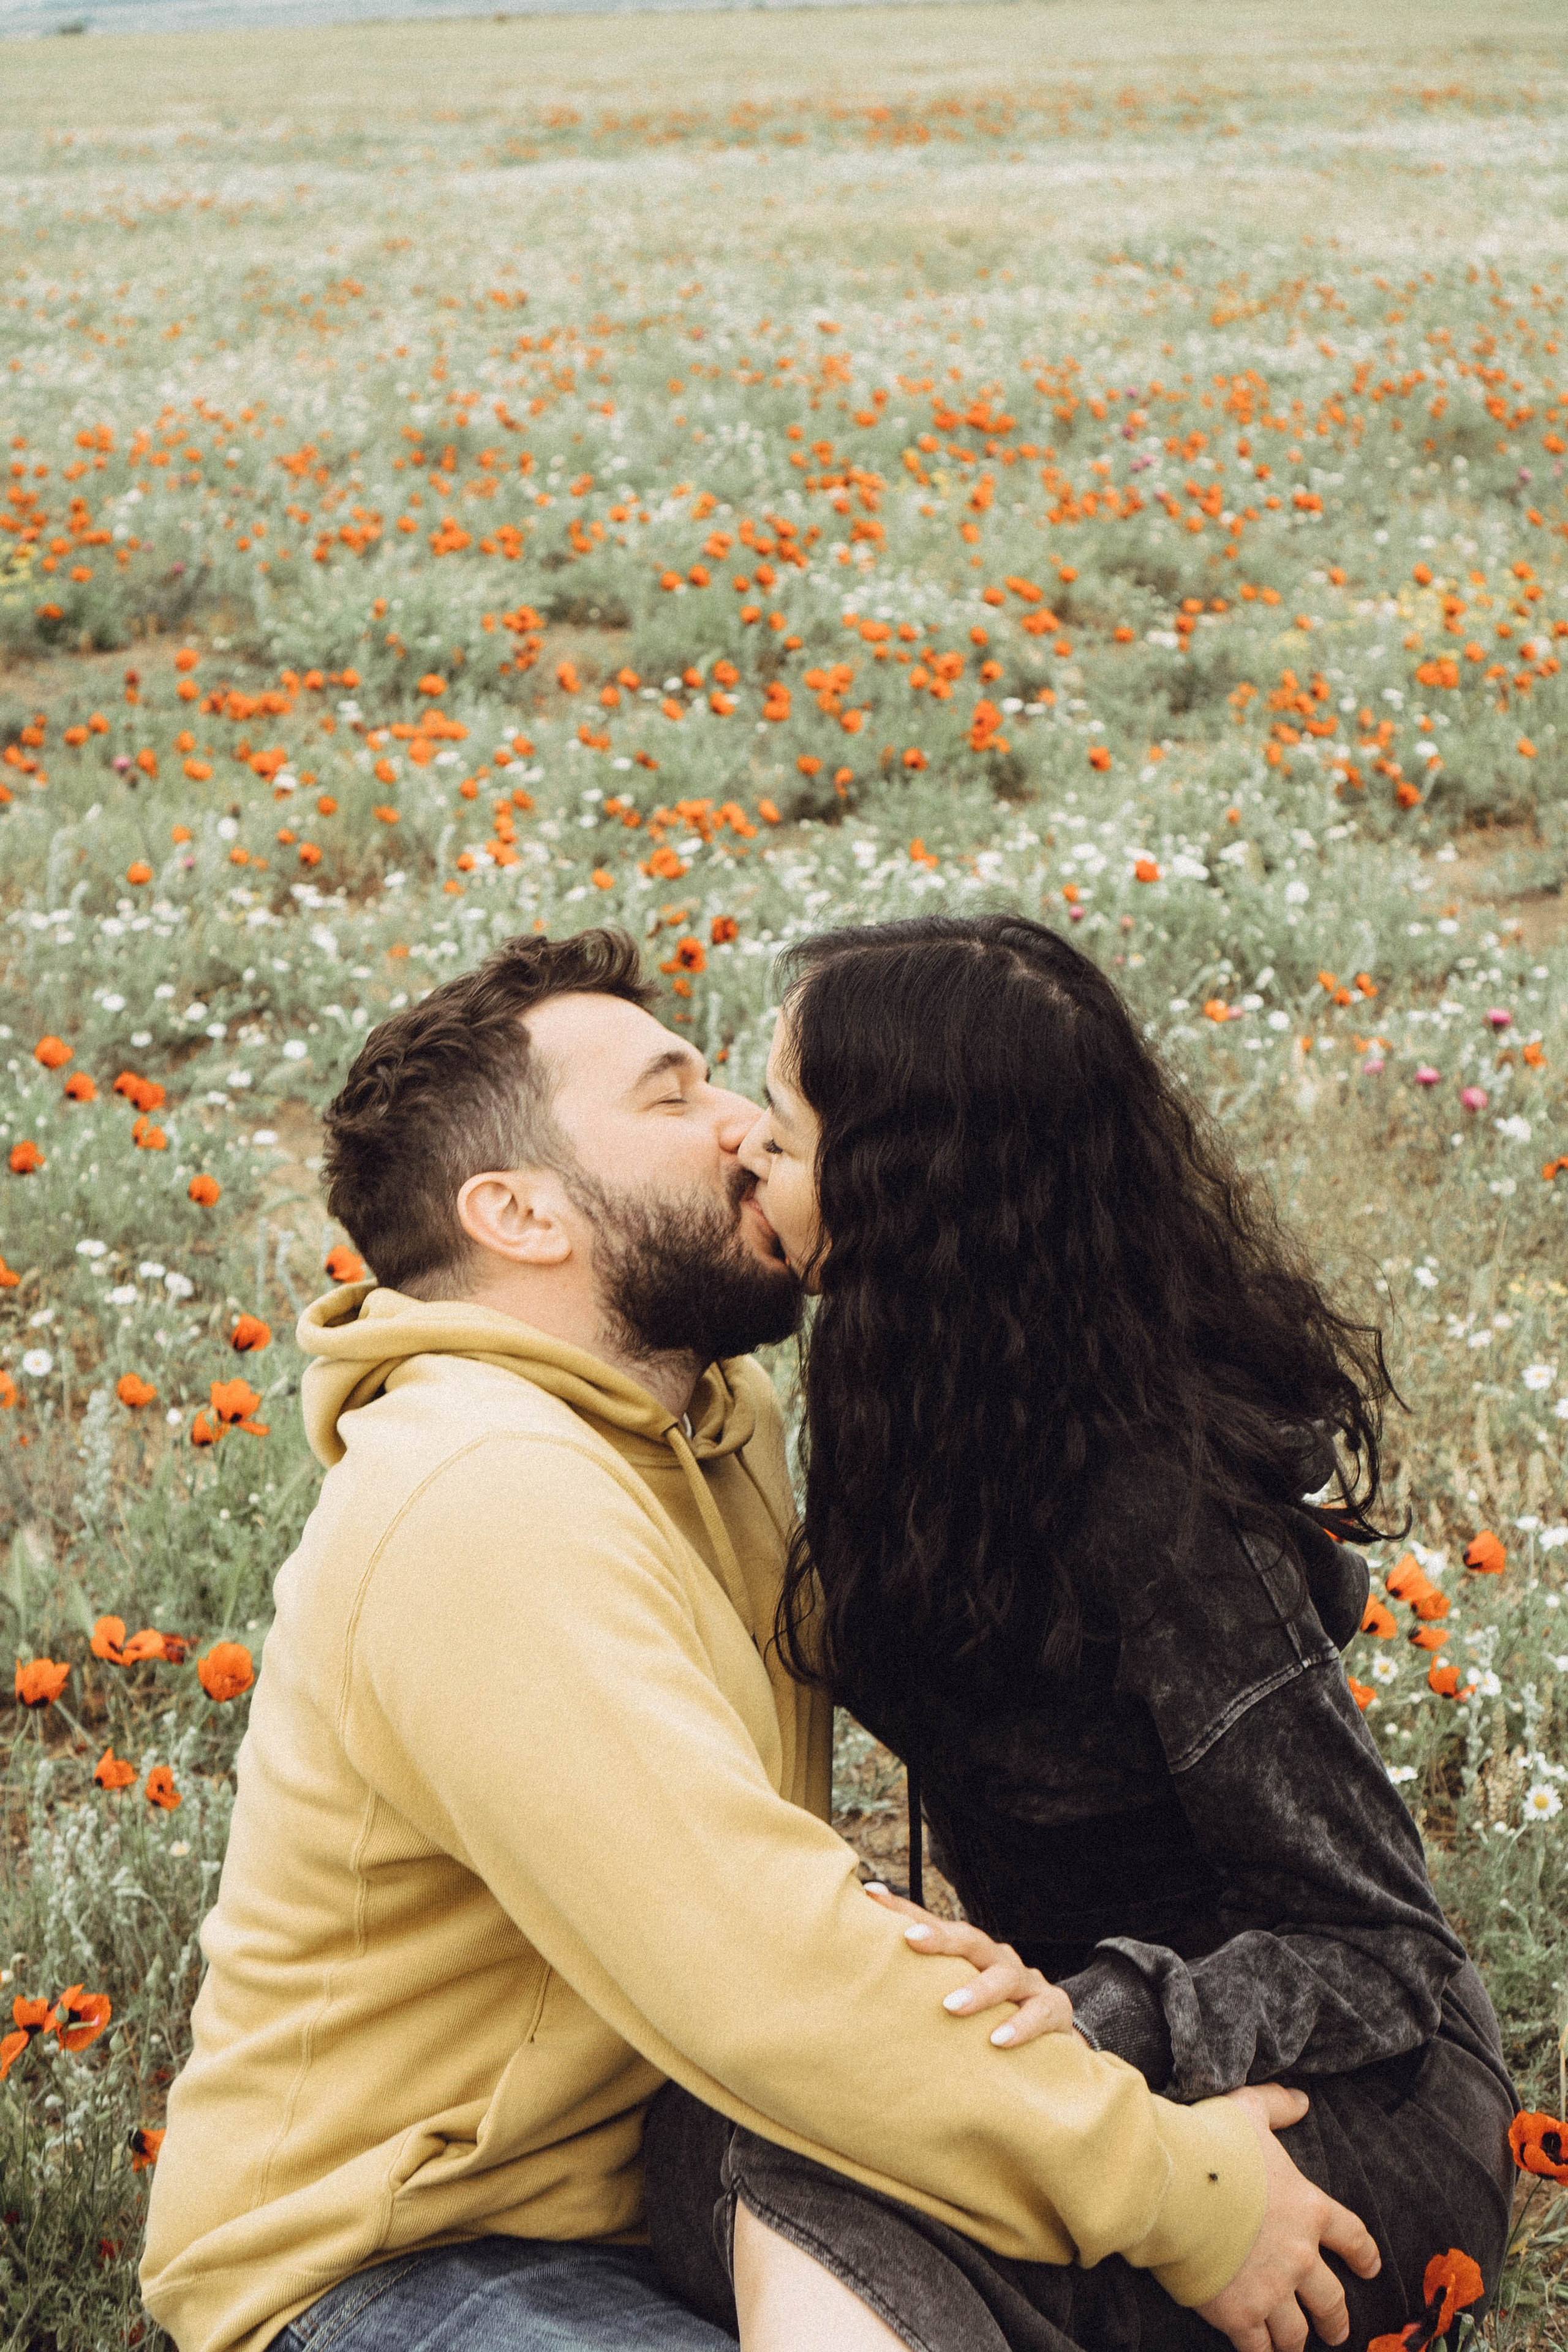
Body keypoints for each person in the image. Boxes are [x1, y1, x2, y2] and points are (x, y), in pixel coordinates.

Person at [141, 927, 1374, 2352]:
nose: (748, 1128)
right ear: (520, 1214)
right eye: (671, 1099)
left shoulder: (715, 1431)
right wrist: (1179, 2190)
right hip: (400, 2260)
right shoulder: (478, 1495)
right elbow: (763, 1970)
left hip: (679, 2191)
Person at [646, 911, 1516, 2352]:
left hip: (1328, 2122)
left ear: (910, 1196)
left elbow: (1381, 1954)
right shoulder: (917, 1399)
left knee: (751, 2156)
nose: (743, 1145)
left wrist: (1086, 2016)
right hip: (1091, 2086)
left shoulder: (1155, 1503)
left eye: (786, 1133)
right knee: (722, 2132)